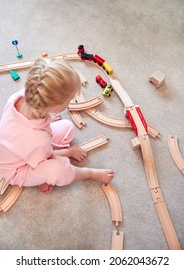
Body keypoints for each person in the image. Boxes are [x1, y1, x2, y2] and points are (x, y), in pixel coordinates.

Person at [0, 58, 114, 193]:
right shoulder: (38, 141)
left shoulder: (20, 96)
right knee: (59, 170)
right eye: (69, 100)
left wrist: (48, 118)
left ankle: (40, 175)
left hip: (22, 146)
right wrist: (71, 152)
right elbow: (49, 157)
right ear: (56, 106)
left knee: (67, 127)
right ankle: (89, 173)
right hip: (18, 170)